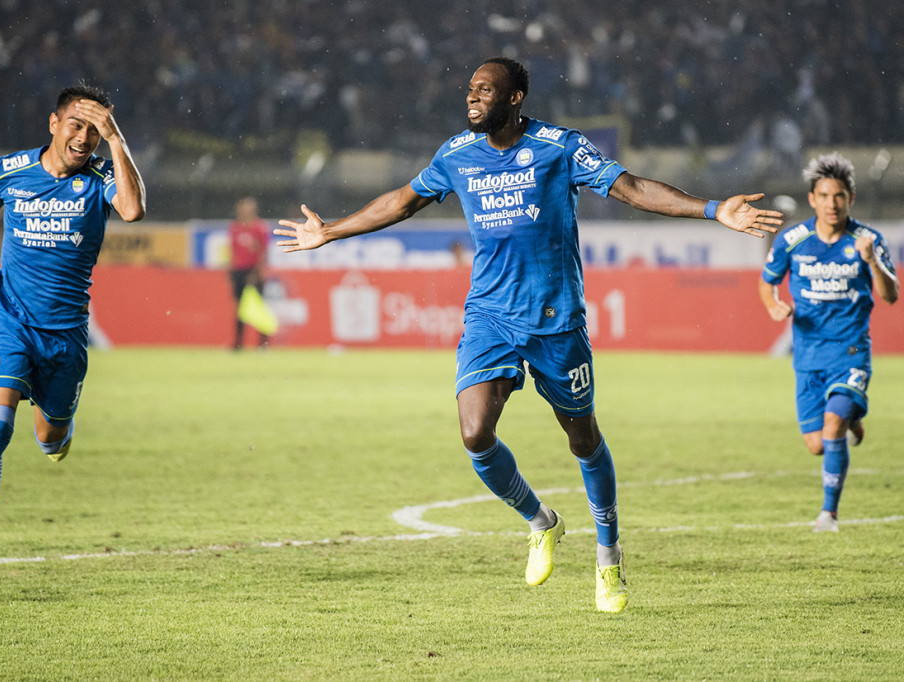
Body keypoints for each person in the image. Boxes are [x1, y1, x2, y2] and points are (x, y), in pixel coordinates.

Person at [276, 56, 783, 612]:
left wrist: (713, 210)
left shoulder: (559, 147)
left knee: (583, 439)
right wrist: (331, 230)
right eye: (469, 88)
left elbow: (631, 188)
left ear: (515, 98)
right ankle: (541, 521)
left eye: (485, 90)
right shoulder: (456, 155)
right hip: (489, 317)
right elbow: (402, 201)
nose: (472, 98)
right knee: (474, 434)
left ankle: (608, 559)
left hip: (555, 321)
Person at [0, 84, 147, 582]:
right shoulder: (9, 171)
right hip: (10, 319)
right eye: (76, 125)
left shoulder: (101, 176)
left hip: (65, 336)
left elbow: (133, 210)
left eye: (95, 130)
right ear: (53, 124)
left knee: (50, 438)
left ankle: (59, 428)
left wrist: (117, 139)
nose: (85, 138)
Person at [759, 152, 898, 532]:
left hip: (850, 352)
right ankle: (853, 419)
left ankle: (828, 514)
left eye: (839, 196)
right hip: (808, 357)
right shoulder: (793, 240)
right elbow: (766, 282)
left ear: (850, 198)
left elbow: (890, 295)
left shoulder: (868, 240)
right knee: (817, 444)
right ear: (812, 199)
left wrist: (873, 263)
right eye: (824, 195)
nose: (832, 203)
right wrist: (773, 306)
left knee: (832, 424)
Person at [228, 196, 272, 350]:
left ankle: (263, 343)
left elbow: (263, 251)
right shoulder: (234, 227)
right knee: (239, 309)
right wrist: (231, 269)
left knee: (258, 307)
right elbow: (233, 250)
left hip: (253, 271)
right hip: (238, 271)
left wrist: (257, 272)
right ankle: (238, 343)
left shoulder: (259, 227)